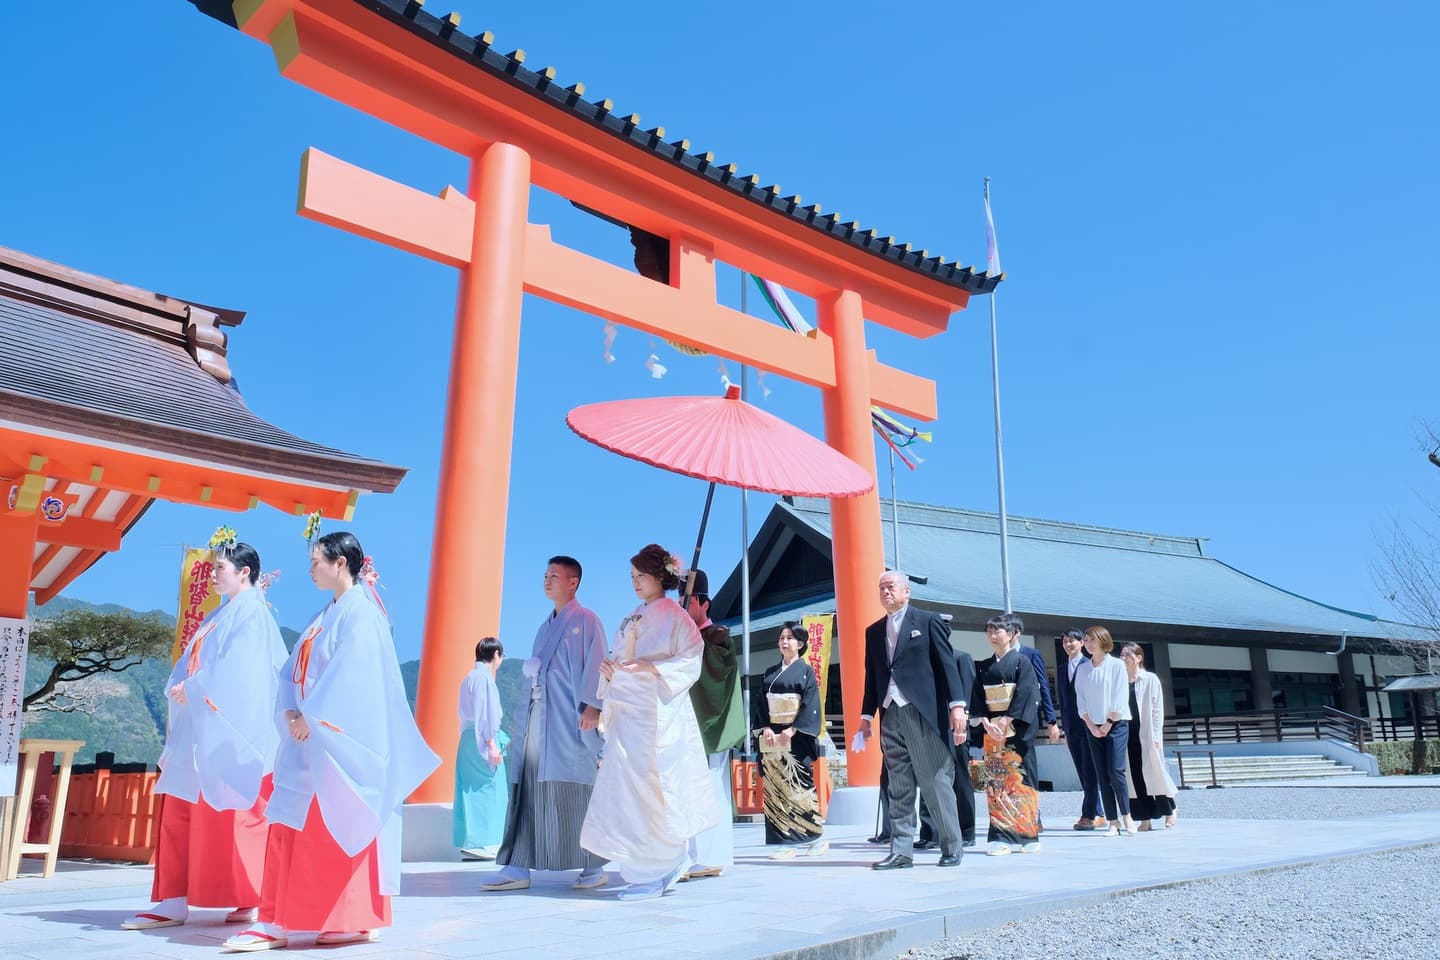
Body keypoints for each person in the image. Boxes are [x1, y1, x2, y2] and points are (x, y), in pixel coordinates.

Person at [223, 531, 439, 952]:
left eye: (316, 561)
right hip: (308, 739)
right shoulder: (326, 615)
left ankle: (310, 919)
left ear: (341, 563)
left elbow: (355, 678)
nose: (311, 570)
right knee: (297, 825)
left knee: (333, 827)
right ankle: (287, 917)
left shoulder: (361, 613)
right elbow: (291, 670)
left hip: (334, 745)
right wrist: (290, 709)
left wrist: (312, 716)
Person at [124, 530, 287, 932]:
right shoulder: (219, 614)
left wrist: (195, 688)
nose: (213, 574)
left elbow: (243, 672)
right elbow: (192, 666)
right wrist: (185, 688)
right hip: (200, 726)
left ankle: (248, 896)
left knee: (239, 813)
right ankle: (173, 898)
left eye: (220, 568)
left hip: (231, 730)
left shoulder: (252, 613)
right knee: (181, 809)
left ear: (244, 572)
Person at [581, 544, 722, 900]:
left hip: (658, 713)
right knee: (627, 788)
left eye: (641, 576)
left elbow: (691, 658)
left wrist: (652, 667)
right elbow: (620, 656)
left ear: (661, 577)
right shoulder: (631, 616)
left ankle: (665, 863)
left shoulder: (677, 617)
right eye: (632, 577)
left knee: (657, 786)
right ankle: (642, 866)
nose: (635, 583)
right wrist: (610, 672)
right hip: (629, 712)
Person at [483, 556, 608, 892]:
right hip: (538, 717)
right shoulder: (544, 627)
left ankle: (593, 865)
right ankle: (518, 863)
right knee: (529, 783)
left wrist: (593, 706)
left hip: (570, 720)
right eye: (546, 575)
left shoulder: (587, 620)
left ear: (573, 582)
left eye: (555, 575)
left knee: (575, 786)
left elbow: (598, 663)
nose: (547, 580)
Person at [855, 570, 967, 870]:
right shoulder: (874, 631)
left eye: (890, 586)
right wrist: (866, 717)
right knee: (898, 783)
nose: (885, 592)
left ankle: (952, 846)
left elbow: (947, 666)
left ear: (907, 591)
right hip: (890, 712)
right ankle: (901, 851)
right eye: (881, 588)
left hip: (922, 712)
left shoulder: (928, 621)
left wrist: (957, 706)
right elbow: (873, 677)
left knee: (935, 781)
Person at [681, 569, 746, 880]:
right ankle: (692, 855)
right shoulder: (682, 637)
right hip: (685, 724)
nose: (682, 606)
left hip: (709, 724)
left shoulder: (718, 636)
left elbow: (716, 678)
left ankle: (711, 855)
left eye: (687, 600)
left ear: (703, 604)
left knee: (707, 787)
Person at [970, 613, 1042, 855]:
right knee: (996, 784)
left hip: (1016, 731)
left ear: (1010, 635)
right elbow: (977, 698)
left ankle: (1028, 835)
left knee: (1022, 782)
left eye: (997, 631)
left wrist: (1007, 718)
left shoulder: (1023, 662)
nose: (992, 636)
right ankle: (1000, 836)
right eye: (989, 631)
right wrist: (984, 721)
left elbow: (1027, 694)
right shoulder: (983, 667)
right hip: (993, 732)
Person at [753, 621, 826, 857]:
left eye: (790, 638)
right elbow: (761, 703)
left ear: (801, 644)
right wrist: (764, 727)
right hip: (772, 736)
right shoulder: (769, 673)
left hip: (794, 735)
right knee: (776, 788)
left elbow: (810, 705)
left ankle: (814, 838)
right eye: (782, 638)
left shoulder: (805, 672)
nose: (784, 642)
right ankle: (784, 843)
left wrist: (793, 729)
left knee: (799, 787)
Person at [917, 639, 977, 850]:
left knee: (960, 779)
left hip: (955, 728)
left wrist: (962, 725)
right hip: (929, 728)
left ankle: (967, 830)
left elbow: (968, 694)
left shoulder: (961, 657)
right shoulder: (923, 661)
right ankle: (930, 832)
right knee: (928, 779)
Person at [1076, 625, 1136, 837]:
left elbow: (1120, 697)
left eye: (1092, 639)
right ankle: (1112, 821)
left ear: (1103, 641)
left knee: (1116, 771)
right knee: (1101, 774)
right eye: (1086, 639)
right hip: (1093, 726)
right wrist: (1092, 726)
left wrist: (1108, 722)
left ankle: (1127, 816)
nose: (1088, 644)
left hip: (1117, 724)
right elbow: (1080, 700)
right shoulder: (1083, 669)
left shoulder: (1116, 665)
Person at [454, 637, 509, 860]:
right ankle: (487, 842)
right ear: (495, 655)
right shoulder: (484, 679)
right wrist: (491, 744)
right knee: (492, 789)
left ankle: (472, 841)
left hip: (467, 738)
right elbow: (486, 715)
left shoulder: (468, 677)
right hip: (483, 739)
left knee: (469, 789)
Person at [1121, 643, 1178, 830]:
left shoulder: (1150, 679)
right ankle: (1145, 818)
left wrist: (1155, 734)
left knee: (1155, 774)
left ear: (1138, 657)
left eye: (1127, 655)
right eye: (1122, 655)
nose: (1123, 659)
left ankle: (1170, 811)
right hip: (1127, 734)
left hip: (1147, 733)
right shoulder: (1120, 681)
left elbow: (1157, 710)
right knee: (1135, 777)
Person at [1054, 629, 1105, 831]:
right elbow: (1063, 700)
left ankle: (1089, 814)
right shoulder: (1061, 668)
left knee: (1090, 771)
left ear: (1082, 643)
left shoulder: (1089, 665)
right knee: (1083, 772)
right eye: (1065, 642)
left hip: (1089, 725)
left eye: (1072, 641)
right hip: (1071, 727)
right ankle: (1100, 812)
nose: (1068, 645)